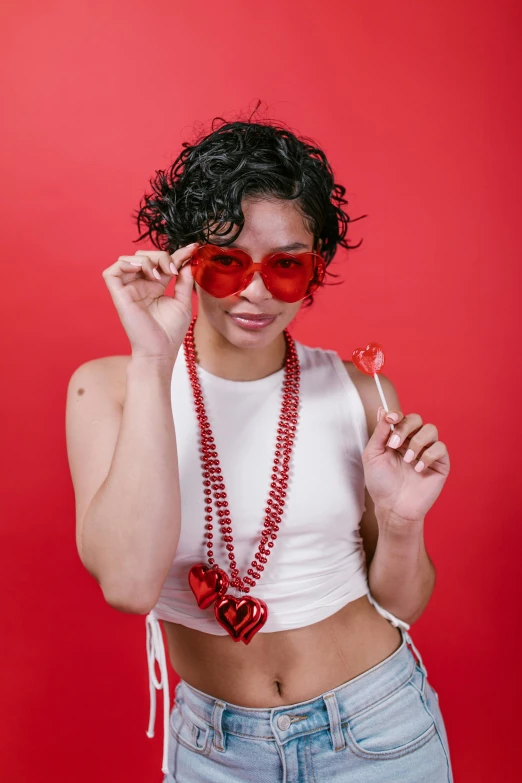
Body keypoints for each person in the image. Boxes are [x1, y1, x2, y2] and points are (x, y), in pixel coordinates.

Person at [66, 113, 453, 782]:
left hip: (378, 727)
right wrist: (153, 357)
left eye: (285, 266)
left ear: (315, 268)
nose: (254, 291)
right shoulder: (113, 390)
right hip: (217, 752)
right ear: (186, 258)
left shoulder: (360, 393)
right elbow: (130, 584)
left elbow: (403, 603)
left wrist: (400, 521)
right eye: (226, 262)